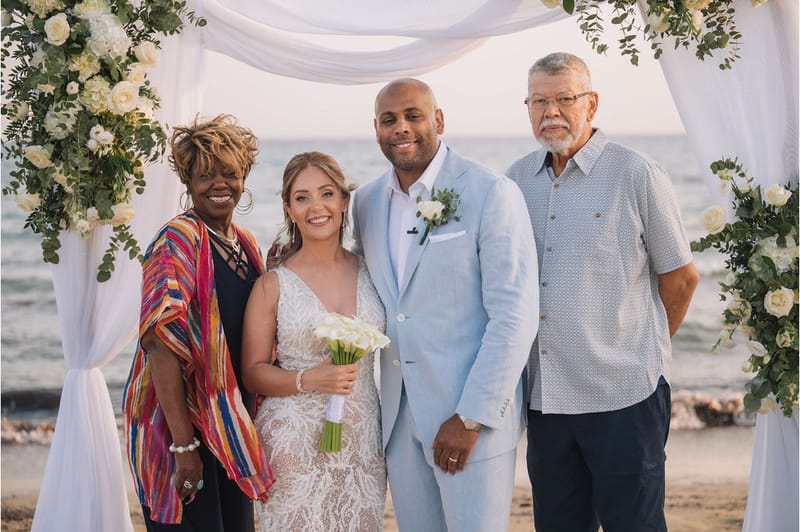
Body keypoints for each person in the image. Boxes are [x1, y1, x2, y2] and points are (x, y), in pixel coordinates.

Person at [506, 52, 700, 532]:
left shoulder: (637, 173)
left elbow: (681, 277)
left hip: (625, 397)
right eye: (539, 101)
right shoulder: (515, 181)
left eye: (564, 99)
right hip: (547, 400)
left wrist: (639, 349)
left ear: (591, 104)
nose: (551, 112)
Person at [350, 78, 539, 531]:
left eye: (413, 116)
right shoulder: (366, 202)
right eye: (389, 119)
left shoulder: (490, 192)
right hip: (398, 424)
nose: (401, 128)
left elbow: (514, 316)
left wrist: (471, 417)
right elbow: (360, 288)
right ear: (376, 129)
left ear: (438, 120)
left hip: (469, 422)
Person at [122, 114, 274, 531]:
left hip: (228, 423)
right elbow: (159, 345)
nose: (219, 184)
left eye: (229, 173)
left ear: (244, 176)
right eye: (206, 175)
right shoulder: (177, 240)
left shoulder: (246, 243)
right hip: (182, 426)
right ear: (188, 181)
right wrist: (183, 446)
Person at [241, 151, 387, 531]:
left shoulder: (375, 271)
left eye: (326, 193)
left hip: (363, 444)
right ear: (289, 209)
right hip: (293, 446)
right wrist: (309, 379)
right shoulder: (273, 284)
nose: (316, 207)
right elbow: (252, 373)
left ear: (344, 201)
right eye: (302, 198)